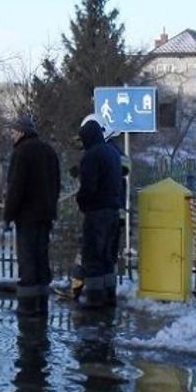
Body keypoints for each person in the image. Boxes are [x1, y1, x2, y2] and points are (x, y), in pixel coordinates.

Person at [3, 115, 61, 317]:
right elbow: (56, 184)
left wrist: (8, 215)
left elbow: (16, 188)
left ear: (21, 132)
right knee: (41, 258)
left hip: (26, 216)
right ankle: (42, 304)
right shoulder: (49, 151)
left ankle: (27, 308)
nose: (12, 135)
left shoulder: (21, 153)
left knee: (27, 259)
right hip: (46, 215)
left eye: (13, 131)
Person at [75, 114, 122, 309]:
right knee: (107, 259)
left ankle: (94, 302)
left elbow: (88, 187)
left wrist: (81, 201)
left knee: (93, 257)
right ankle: (109, 297)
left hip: (96, 213)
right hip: (113, 211)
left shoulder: (91, 156)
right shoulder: (112, 152)